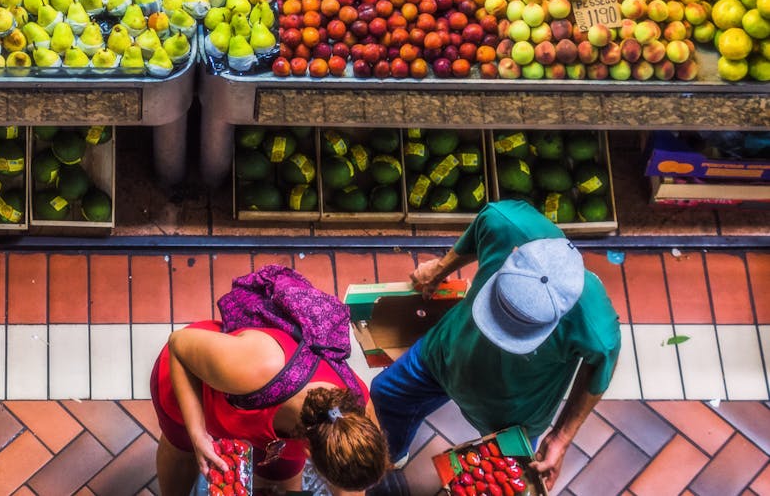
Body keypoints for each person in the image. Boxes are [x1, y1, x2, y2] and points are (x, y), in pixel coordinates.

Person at [370, 200, 621, 490]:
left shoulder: (595, 324)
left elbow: (602, 366)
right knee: (386, 394)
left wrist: (561, 438)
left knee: (503, 485)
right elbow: (481, 227)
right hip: (445, 353)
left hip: (513, 413)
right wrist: (439, 270)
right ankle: (390, 457)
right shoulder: (506, 223)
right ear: (513, 256)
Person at [151, 320, 389, 495]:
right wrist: (198, 436)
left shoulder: (354, 424)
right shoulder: (258, 367)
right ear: (308, 453)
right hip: (193, 384)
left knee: (280, 479)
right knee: (182, 451)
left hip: (268, 429)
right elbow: (178, 343)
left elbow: (351, 488)